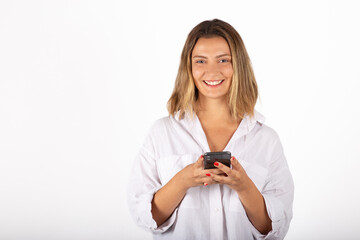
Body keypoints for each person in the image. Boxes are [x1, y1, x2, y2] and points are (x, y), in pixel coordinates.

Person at [127, 19, 294, 240]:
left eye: (223, 60)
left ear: (238, 65)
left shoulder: (266, 140)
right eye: (201, 61)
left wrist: (244, 187)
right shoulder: (162, 133)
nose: (212, 71)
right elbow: (146, 217)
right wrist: (183, 180)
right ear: (189, 67)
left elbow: (272, 229)